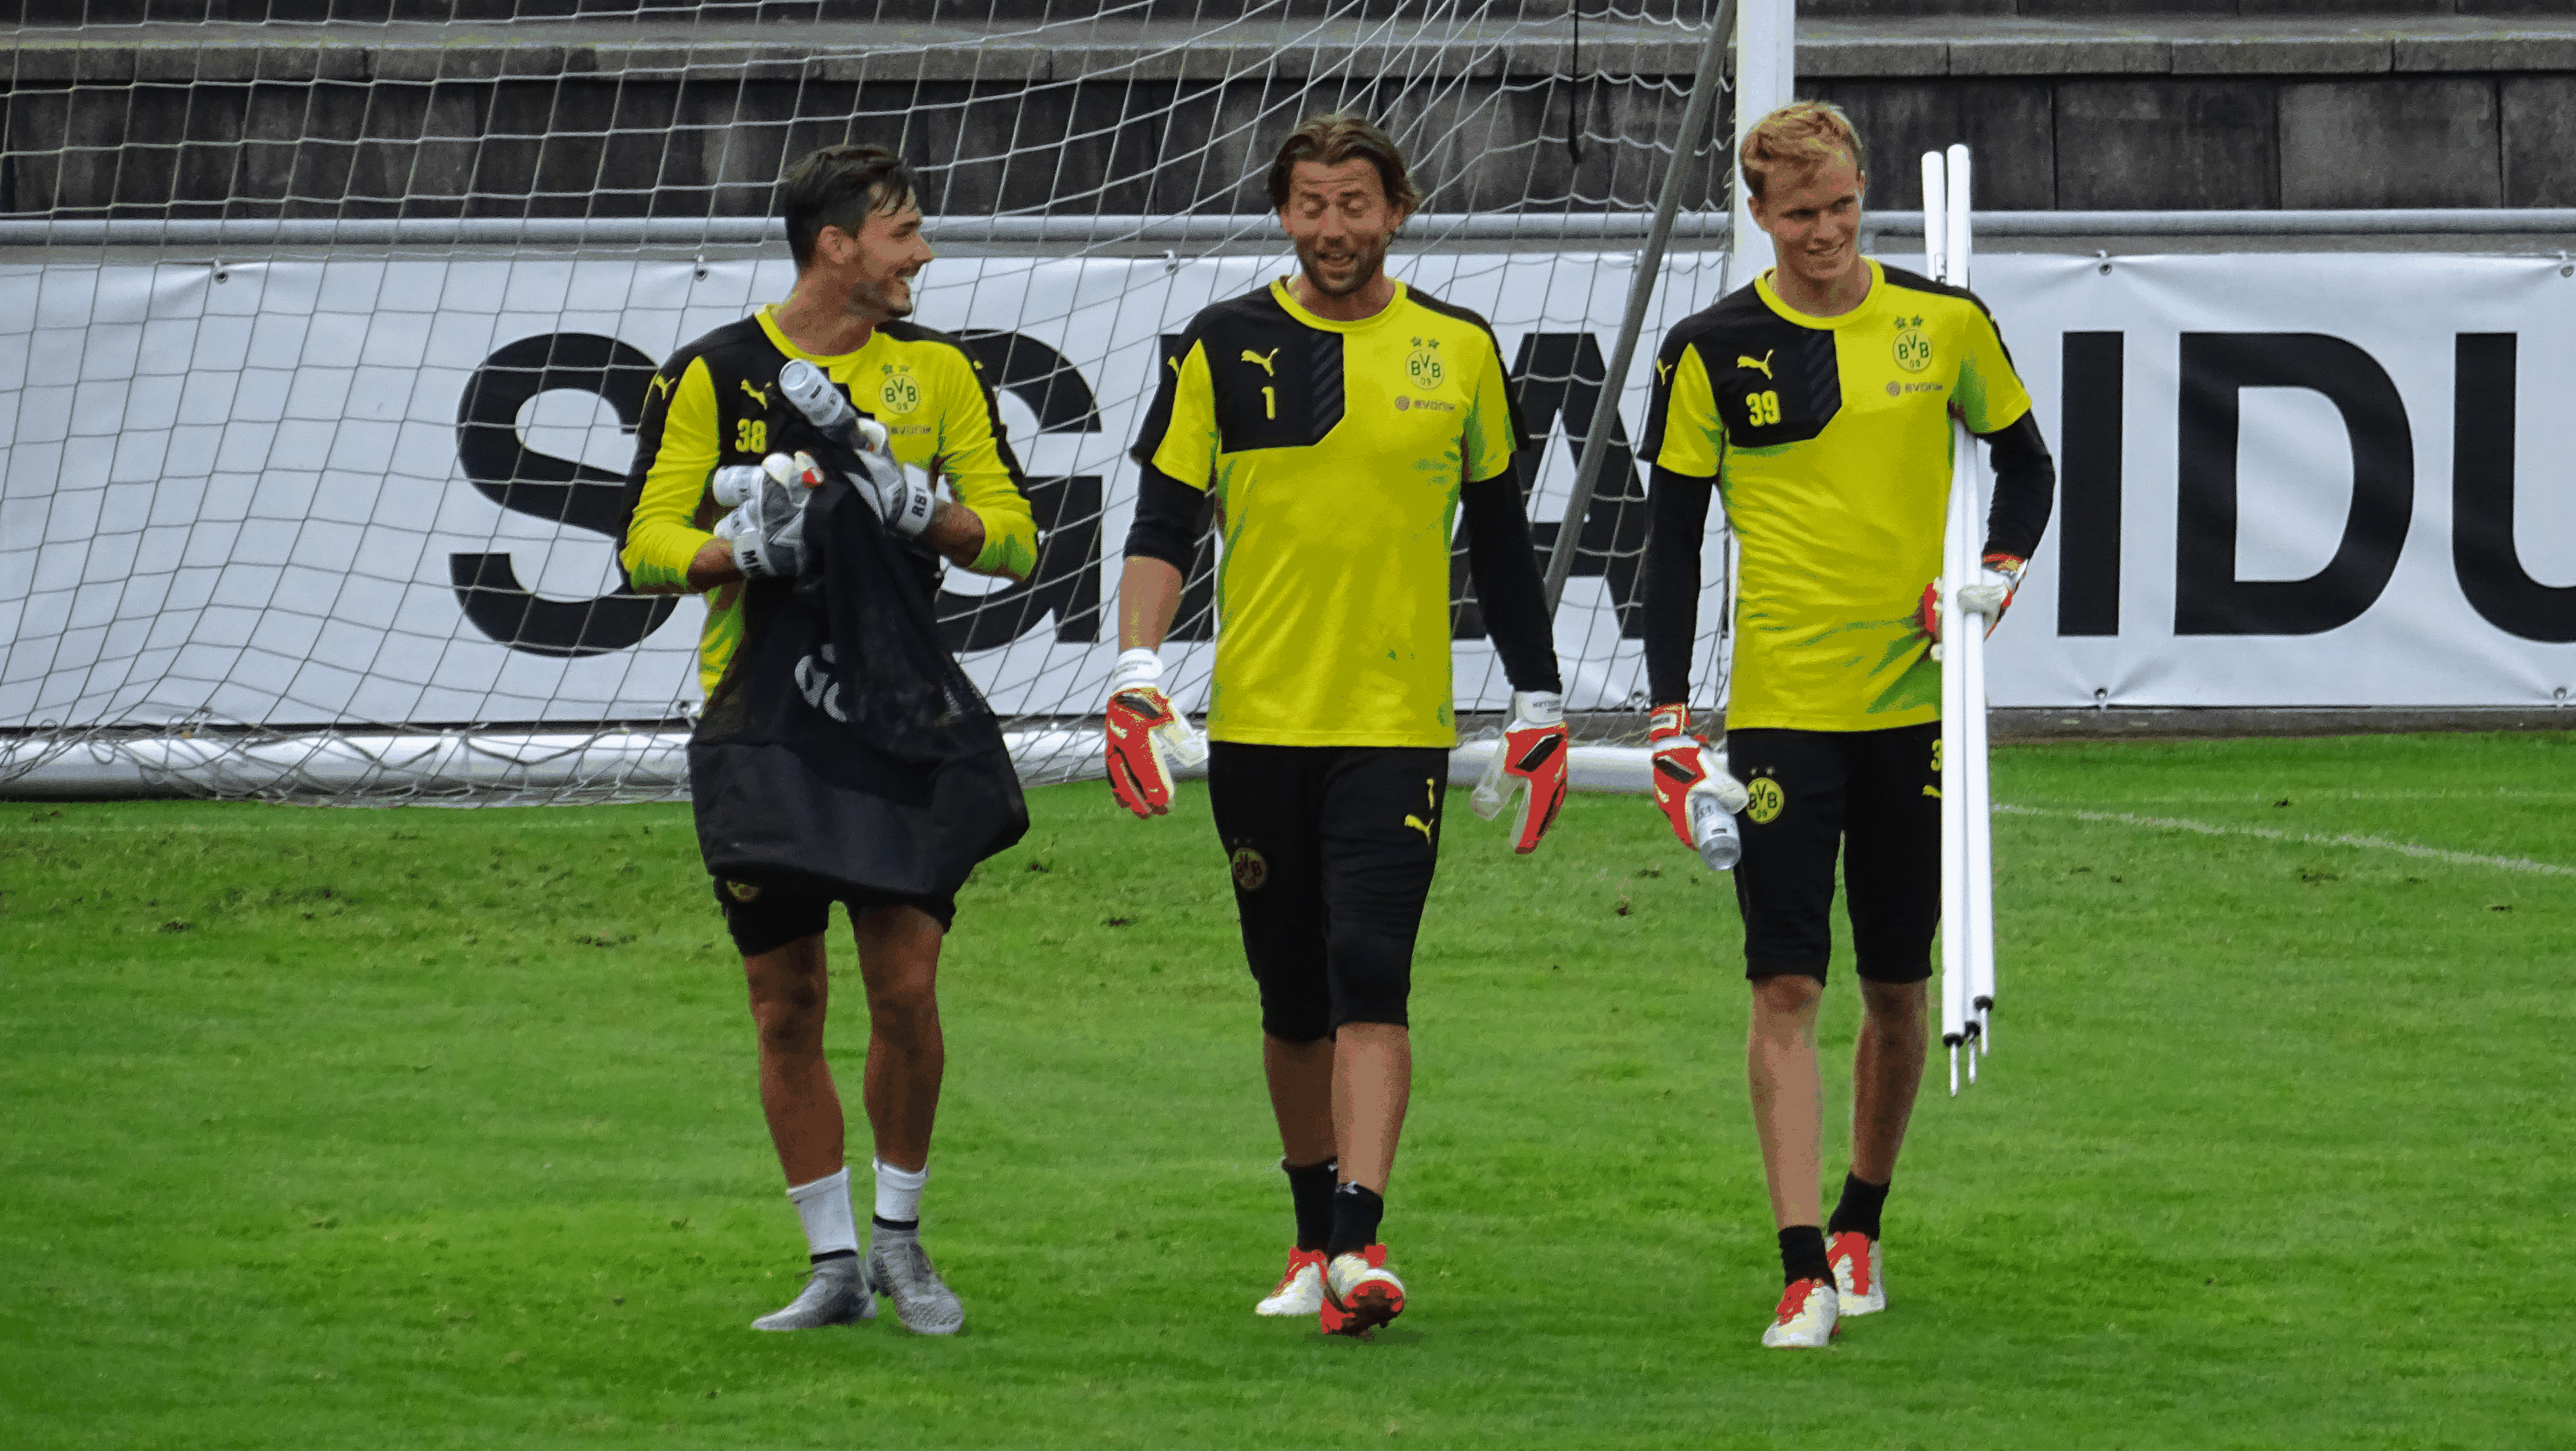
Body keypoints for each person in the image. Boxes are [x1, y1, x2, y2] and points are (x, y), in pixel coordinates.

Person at [1107, 113, 1571, 1338]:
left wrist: (1539, 698)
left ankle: (1360, 1244)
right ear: (1283, 215)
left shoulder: (1460, 348)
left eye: (1354, 205)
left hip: (1395, 727)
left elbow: (1506, 546)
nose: (1332, 229)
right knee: (1289, 997)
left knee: (1372, 967)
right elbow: (1161, 523)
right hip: (1257, 728)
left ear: (1399, 211)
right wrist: (1137, 670)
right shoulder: (1223, 343)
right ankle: (1313, 1235)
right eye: (1310, 205)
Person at [1636, 101, 2055, 1349]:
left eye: (1837, 207)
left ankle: (1861, 1214)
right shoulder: (1710, 349)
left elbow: (2026, 464)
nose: (1821, 233)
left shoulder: (1943, 322)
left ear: (1861, 194)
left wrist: (1991, 569)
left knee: (1893, 981)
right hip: (1778, 710)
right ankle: (1795, 1262)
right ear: (1754, 217)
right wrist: (1669, 712)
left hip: (1914, 708)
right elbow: (1669, 542)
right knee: (1782, 979)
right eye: (1795, 213)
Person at [617, 142, 1040, 1336]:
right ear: (837, 245)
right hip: (764, 732)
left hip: (896, 718)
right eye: (904, 232)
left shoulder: (940, 373)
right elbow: (641, 543)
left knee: (905, 990)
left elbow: (1019, 541)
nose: (924, 252)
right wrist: (736, 552)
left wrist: (926, 513)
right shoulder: (713, 371)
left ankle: (904, 1241)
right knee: (783, 1006)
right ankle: (833, 1264)